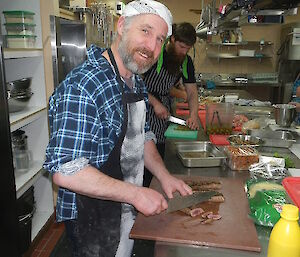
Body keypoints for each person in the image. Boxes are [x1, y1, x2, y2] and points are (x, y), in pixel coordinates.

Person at [43, 1, 192, 257]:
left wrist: (164, 176)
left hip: (125, 209)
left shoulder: (134, 80)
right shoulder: (84, 86)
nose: (151, 47)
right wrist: (135, 194)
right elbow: (65, 171)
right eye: (145, 32)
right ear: (122, 26)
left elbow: (142, 136)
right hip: (94, 219)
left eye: (159, 39)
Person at [143, 22, 200, 187]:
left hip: (162, 111)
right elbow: (134, 84)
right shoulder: (154, 54)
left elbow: (191, 92)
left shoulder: (186, 62)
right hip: (142, 105)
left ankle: (155, 188)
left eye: (188, 48)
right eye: (182, 46)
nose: (184, 52)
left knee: (159, 153)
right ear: (172, 39)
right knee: (142, 154)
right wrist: (154, 103)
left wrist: (194, 115)